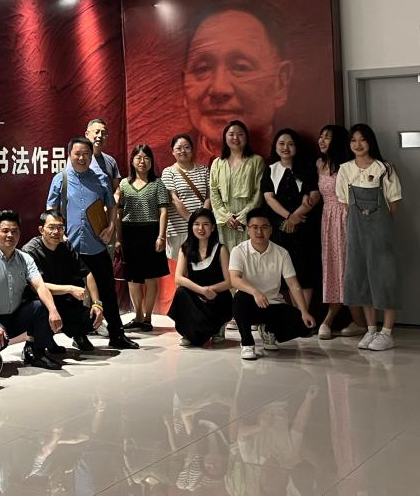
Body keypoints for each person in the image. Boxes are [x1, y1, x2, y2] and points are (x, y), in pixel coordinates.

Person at [46, 137, 138, 349]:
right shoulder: (60, 179)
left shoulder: (101, 179)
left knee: (108, 291)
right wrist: (59, 234)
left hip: (96, 245)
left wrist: (111, 228)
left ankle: (117, 334)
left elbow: (112, 206)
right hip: (69, 248)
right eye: (77, 154)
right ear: (69, 155)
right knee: (74, 295)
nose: (82, 158)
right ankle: (79, 335)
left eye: (86, 154)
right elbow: (51, 210)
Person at [182, 1, 293, 164]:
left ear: (280, 83)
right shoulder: (159, 161)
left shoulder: (303, 161)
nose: (219, 88)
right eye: (202, 68)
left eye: (241, 67)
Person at [336, 123, 403, 351]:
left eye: (362, 139)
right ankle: (371, 329)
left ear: (371, 141)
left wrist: (377, 221)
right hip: (356, 233)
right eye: (353, 140)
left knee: (385, 276)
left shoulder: (385, 168)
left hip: (381, 232)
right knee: (361, 276)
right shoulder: (345, 170)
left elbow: (394, 203)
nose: (358, 144)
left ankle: (387, 332)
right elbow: (345, 203)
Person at [0, 209, 64, 370]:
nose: (10, 235)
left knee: (42, 306)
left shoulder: (25, 259)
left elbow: (40, 286)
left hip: (14, 316)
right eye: (5, 231)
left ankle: (37, 354)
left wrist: (53, 310)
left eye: (14, 231)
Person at [228, 208, 316, 360]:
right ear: (248, 229)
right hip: (249, 303)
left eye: (264, 227)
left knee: (304, 325)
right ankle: (247, 342)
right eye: (255, 227)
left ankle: (268, 330)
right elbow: (234, 279)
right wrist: (255, 292)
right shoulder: (239, 250)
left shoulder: (281, 253)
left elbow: (293, 284)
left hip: (272, 304)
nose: (259, 232)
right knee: (239, 299)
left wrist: (304, 311)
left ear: (271, 229)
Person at [21, 211, 105, 352]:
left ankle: (79, 335)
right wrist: (70, 289)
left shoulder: (65, 246)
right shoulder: (30, 251)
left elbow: (87, 273)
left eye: (60, 228)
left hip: (64, 301)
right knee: (39, 308)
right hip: (41, 302)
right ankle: (34, 343)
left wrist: (97, 304)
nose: (56, 232)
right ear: (41, 230)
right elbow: (37, 286)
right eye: (51, 227)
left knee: (91, 316)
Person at [315, 125, 366, 339]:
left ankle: (355, 321)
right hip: (327, 220)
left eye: (327, 137)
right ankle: (348, 320)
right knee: (332, 267)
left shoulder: (348, 165)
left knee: (347, 268)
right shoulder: (319, 164)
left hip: (346, 218)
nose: (322, 140)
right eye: (321, 136)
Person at [260, 128, 321, 308]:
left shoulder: (307, 169)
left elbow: (314, 196)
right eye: (281, 143)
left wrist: (295, 217)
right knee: (283, 271)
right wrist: (288, 217)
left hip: (304, 227)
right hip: (280, 228)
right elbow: (269, 198)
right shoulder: (270, 170)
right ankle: (293, 314)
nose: (285, 148)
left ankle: (304, 314)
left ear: (297, 147)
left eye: (290, 144)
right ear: (275, 147)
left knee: (305, 271)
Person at [115, 144, 171, 331]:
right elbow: (119, 214)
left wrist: (161, 236)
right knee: (132, 278)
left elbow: (163, 212)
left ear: (151, 161)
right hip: (130, 233)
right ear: (132, 161)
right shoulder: (124, 184)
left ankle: (147, 318)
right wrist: (118, 239)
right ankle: (137, 316)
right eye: (138, 157)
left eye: (146, 158)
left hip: (151, 232)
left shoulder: (158, 184)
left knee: (151, 277)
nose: (142, 161)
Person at [167, 209, 232, 347]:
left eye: (205, 224)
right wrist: (202, 290)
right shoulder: (185, 249)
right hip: (196, 296)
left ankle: (218, 327)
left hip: (215, 297)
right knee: (181, 292)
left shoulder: (221, 249)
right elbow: (178, 278)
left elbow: (229, 282)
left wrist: (210, 290)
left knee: (225, 296)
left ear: (212, 227)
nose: (201, 228)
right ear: (191, 227)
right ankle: (188, 333)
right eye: (196, 224)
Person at [209, 120, 266, 250]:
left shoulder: (256, 161)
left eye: (240, 134)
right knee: (226, 256)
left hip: (249, 221)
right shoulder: (217, 163)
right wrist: (226, 217)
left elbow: (258, 193)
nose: (235, 138)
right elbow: (214, 193)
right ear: (225, 137)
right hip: (224, 223)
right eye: (231, 134)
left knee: (248, 254)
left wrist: (242, 217)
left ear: (246, 137)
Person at [161, 133, 211, 261]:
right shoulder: (168, 172)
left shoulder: (204, 170)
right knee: (180, 267)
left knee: (201, 264)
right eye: (179, 148)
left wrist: (201, 220)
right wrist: (192, 220)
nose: (183, 151)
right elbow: (173, 199)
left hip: (201, 229)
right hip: (179, 229)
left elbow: (208, 196)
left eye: (187, 147)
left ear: (192, 150)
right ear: (173, 151)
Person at [86, 117, 122, 192]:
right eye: (96, 132)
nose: (100, 136)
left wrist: (116, 196)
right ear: (87, 134)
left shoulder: (111, 161)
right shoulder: (79, 159)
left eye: (103, 133)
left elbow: (116, 188)